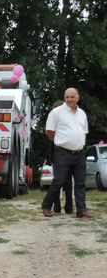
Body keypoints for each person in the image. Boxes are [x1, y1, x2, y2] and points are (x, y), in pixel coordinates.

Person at [42, 88, 90, 218]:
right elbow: (49, 132)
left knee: (80, 182)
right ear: (64, 98)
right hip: (62, 152)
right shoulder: (56, 112)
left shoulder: (82, 114)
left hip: (79, 153)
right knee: (59, 180)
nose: (69, 99)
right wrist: (62, 142)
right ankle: (46, 206)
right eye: (67, 97)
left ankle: (81, 210)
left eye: (72, 97)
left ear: (77, 98)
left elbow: (83, 132)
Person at [46, 100, 74, 214]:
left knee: (59, 181)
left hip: (59, 155)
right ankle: (67, 207)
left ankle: (59, 206)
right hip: (62, 154)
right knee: (66, 182)